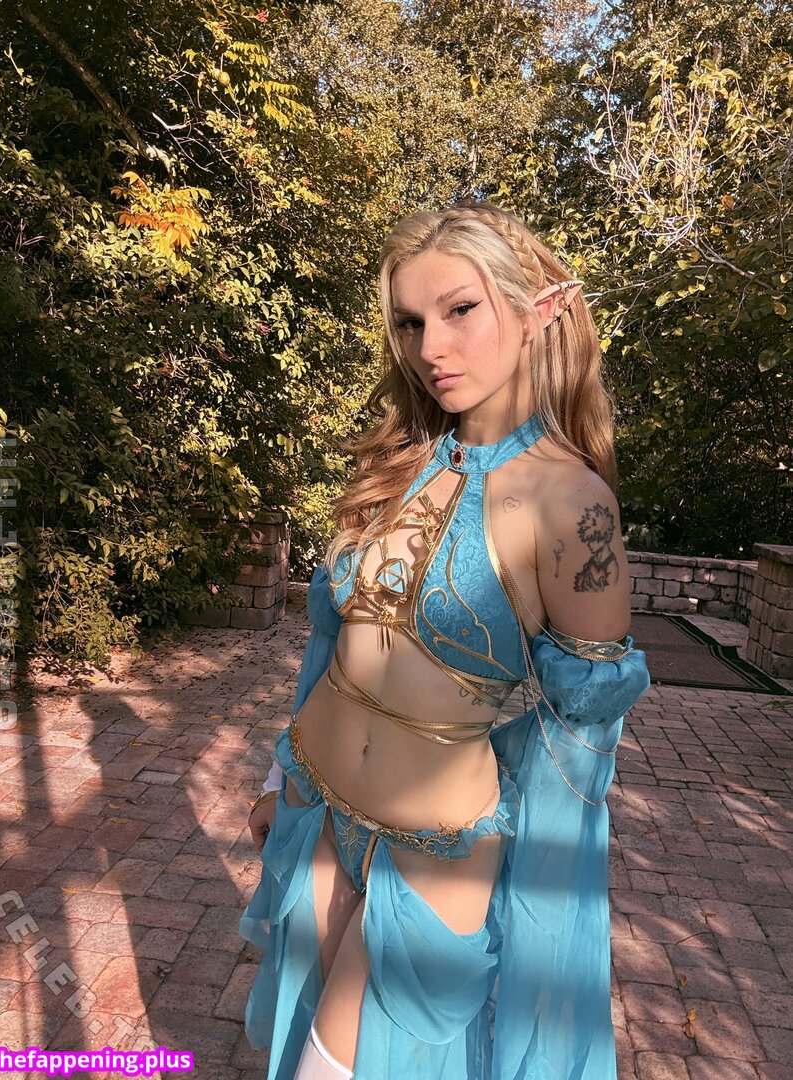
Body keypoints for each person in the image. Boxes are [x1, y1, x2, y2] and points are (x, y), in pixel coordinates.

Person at [239, 200, 651, 1080]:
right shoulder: (398, 461)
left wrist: (539, 916)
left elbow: (578, 745)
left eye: (460, 309)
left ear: (539, 310)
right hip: (318, 808)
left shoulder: (573, 506)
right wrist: (279, 777)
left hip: (437, 850)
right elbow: (332, 647)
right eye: (410, 322)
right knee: (295, 1043)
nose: (431, 347)